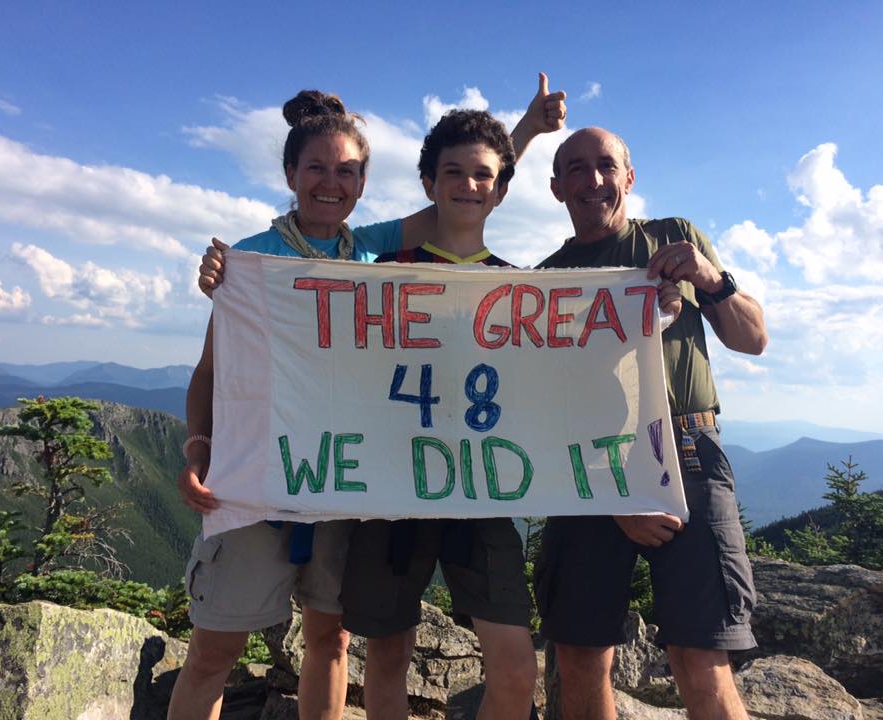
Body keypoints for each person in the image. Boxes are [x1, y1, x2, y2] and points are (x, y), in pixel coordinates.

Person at [173, 81, 567, 720]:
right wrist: (198, 443)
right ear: (291, 174)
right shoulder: (249, 261)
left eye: (347, 171)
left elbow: (469, 193)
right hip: (256, 479)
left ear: (361, 183)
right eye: (317, 169)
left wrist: (522, 131)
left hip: (339, 482)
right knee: (214, 654)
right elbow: (212, 369)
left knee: (330, 641)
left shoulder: (369, 250)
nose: (332, 183)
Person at [532, 127, 768, 720]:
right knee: (581, 654)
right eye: (576, 169)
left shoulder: (676, 239)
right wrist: (612, 493)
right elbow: (542, 402)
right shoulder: (545, 280)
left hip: (688, 450)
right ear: (557, 187)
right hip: (586, 465)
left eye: (606, 166)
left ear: (628, 178)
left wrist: (711, 280)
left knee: (700, 654)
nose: (593, 181)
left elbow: (753, 338)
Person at [340, 109, 538, 720]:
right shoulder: (382, 276)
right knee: (388, 655)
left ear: (501, 189)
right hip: (393, 493)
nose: (469, 185)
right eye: (453, 171)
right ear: (429, 183)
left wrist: (649, 306)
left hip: (481, 495)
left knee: (515, 665)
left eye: (483, 175)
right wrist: (231, 281)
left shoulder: (519, 289)